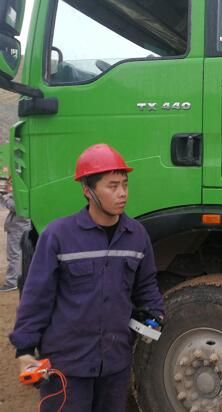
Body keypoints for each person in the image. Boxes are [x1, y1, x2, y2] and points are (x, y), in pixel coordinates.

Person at [10, 143, 164, 411]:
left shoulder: (137, 235)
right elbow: (36, 297)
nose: (122, 193)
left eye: (125, 185)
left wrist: (156, 314)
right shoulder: (58, 236)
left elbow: (146, 285)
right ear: (87, 190)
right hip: (66, 367)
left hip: (114, 365)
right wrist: (24, 350)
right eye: (112, 186)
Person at [0, 172, 31, 292]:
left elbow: (16, 208)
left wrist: (6, 197)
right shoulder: (24, 193)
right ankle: (17, 279)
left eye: (10, 183)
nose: (8, 185)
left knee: (14, 255)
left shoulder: (20, 195)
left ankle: (12, 282)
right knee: (19, 255)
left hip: (17, 228)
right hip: (19, 227)